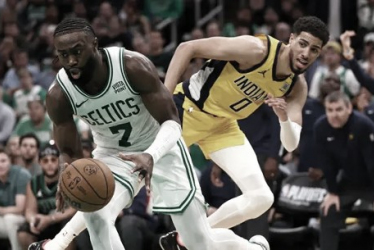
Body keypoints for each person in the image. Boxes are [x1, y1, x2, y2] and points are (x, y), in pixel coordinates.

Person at [28, 17, 268, 250]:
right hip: (114, 155)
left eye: (77, 52)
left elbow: (172, 122)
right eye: (63, 55)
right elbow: (69, 151)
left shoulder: (132, 66)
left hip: (161, 146)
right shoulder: (58, 95)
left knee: (199, 243)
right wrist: (66, 171)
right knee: (96, 216)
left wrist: (151, 154)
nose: (70, 61)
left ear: (95, 45)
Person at [160, 15, 330, 248]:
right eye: (303, 44)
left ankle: (184, 239)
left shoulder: (296, 86)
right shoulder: (256, 49)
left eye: (314, 50)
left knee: (262, 198)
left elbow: (291, 145)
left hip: (223, 126)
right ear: (291, 39)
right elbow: (187, 47)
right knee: (134, 177)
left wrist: (282, 118)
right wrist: (164, 99)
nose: (306, 53)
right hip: (187, 110)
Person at [314, 91, 374, 250]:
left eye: (339, 109)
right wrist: (332, 192)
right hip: (349, 180)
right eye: (330, 110)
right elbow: (326, 163)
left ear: (349, 108)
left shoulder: (363, 125)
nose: (334, 115)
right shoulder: (321, 127)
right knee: (328, 210)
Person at [17, 144, 76, 250]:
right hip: (43, 223)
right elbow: (29, 211)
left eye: (53, 160)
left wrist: (51, 218)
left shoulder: (68, 179)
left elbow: (74, 209)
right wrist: (32, 220)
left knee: (68, 231)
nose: (50, 164)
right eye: (45, 161)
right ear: (40, 162)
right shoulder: (34, 182)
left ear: (59, 162)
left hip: (61, 221)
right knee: (23, 234)